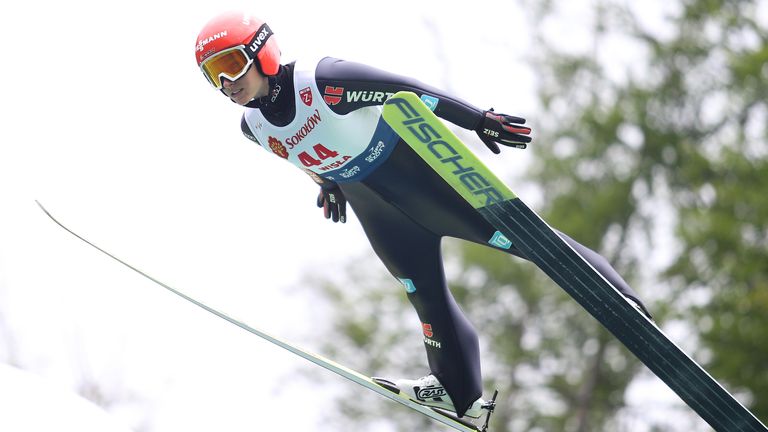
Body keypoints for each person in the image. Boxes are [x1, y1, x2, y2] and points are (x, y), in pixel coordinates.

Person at [194, 11, 651, 419]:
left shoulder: (324, 80)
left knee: (533, 245)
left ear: (262, 52)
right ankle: (459, 394)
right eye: (214, 74)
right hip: (378, 211)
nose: (226, 82)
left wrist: (479, 120)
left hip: (423, 185)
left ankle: (623, 302)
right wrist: (328, 186)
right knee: (424, 295)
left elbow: (409, 91)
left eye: (231, 64)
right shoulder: (252, 128)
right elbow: (302, 153)